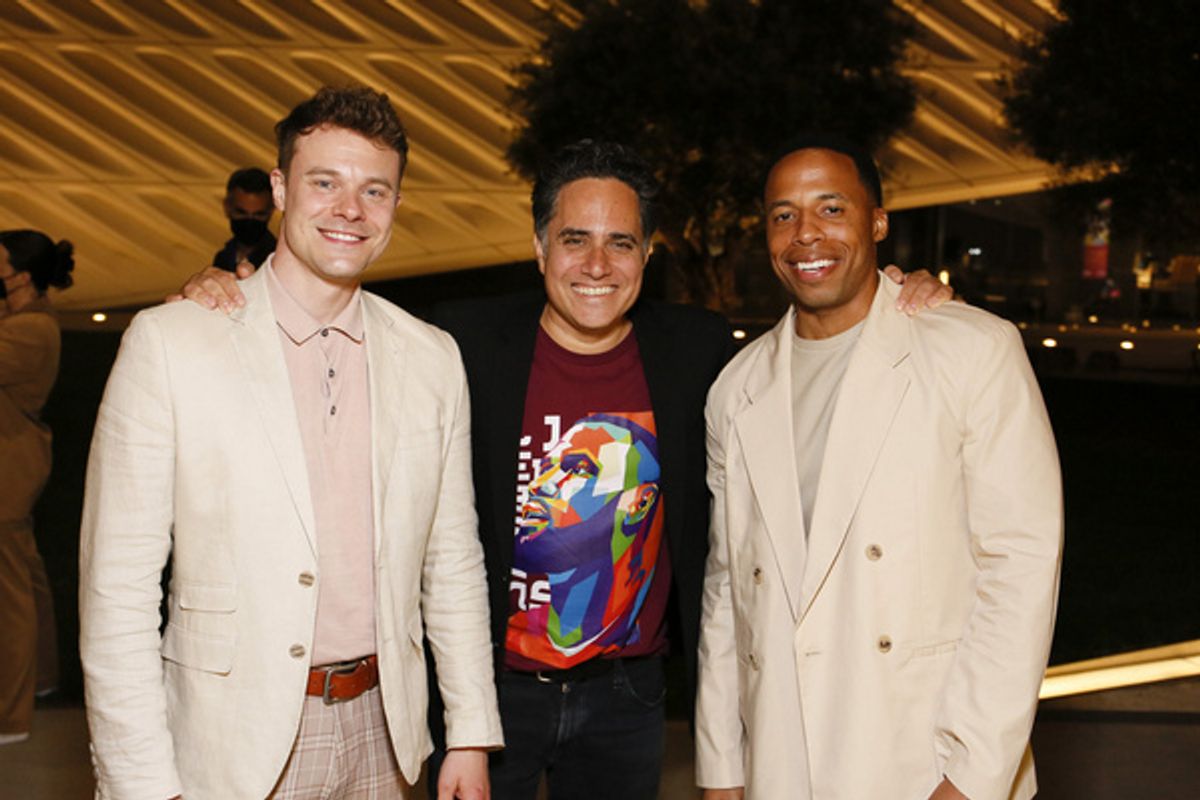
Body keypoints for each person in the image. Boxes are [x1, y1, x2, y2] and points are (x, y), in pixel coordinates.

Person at [181, 139, 950, 799]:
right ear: (540, 246)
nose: (595, 264)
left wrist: (899, 287)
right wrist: (228, 294)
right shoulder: (461, 342)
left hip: (628, 697)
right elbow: (332, 313)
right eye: (573, 238)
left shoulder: (698, 350)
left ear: (648, 254)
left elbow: (824, 333)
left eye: (621, 243)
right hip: (489, 697)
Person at [79, 85, 501, 800]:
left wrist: (468, 731)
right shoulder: (173, 343)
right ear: (279, 187)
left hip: (389, 736)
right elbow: (115, 588)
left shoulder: (432, 357)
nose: (350, 209)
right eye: (325, 182)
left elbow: (452, 558)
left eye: (375, 190)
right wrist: (141, 782)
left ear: (397, 205)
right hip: (229, 746)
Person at [695, 135, 1062, 800]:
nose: (806, 234)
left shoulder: (972, 352)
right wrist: (722, 768)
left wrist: (971, 776)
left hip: (919, 760)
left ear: (878, 222)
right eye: (784, 215)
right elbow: (728, 591)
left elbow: (1020, 567)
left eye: (831, 208)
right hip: (781, 761)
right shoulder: (735, 391)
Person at [0, 229, 73, 745]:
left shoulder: (31, 330)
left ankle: (10, 714)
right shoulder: (22, 322)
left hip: (10, 469)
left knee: (10, 597)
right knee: (24, 580)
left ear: (21, 275)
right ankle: (42, 682)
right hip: (15, 464)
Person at [212, 166, 276, 271]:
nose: (250, 221)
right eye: (241, 213)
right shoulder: (223, 258)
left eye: (259, 214)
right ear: (227, 207)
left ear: (271, 211)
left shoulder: (277, 261)